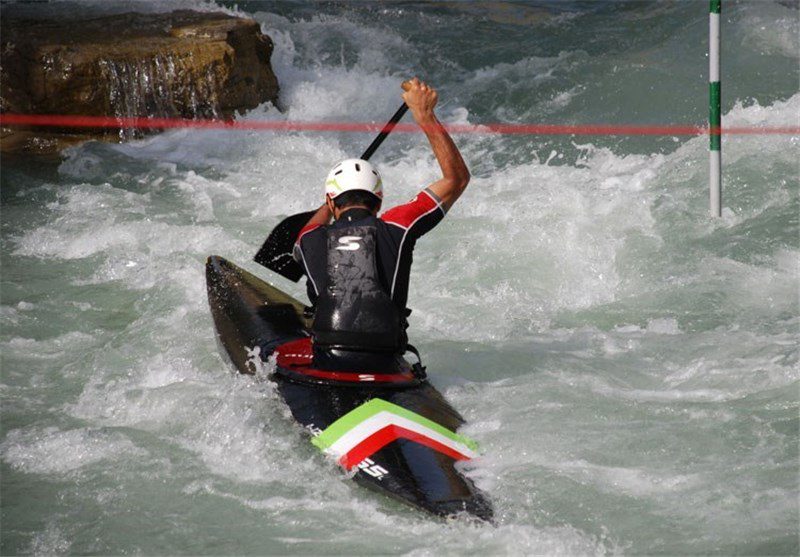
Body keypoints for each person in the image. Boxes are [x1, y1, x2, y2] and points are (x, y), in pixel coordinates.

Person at [293, 78, 469, 372]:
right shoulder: (397, 225)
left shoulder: (308, 240)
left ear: (331, 201)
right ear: (379, 200)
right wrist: (425, 116)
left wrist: (327, 205)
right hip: (385, 362)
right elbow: (456, 179)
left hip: (327, 362)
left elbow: (308, 228)